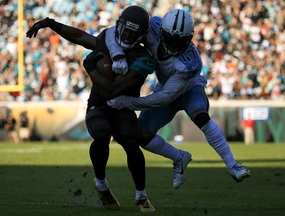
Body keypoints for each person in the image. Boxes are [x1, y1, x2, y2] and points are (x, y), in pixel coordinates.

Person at [26, 6, 192, 190]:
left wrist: (90, 69)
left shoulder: (143, 57)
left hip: (122, 105)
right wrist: (51, 23)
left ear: (142, 35)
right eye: (125, 31)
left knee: (131, 141)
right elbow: (81, 38)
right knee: (101, 134)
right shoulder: (108, 40)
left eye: (132, 33)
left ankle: (141, 194)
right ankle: (101, 182)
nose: (127, 36)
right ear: (119, 26)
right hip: (99, 103)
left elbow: (113, 92)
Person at [106, 8, 250, 183]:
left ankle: (232, 165)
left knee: (200, 116)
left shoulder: (190, 62)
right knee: (142, 135)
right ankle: (179, 157)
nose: (173, 45)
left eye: (178, 41)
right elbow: (112, 32)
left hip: (189, 87)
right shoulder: (151, 27)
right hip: (165, 86)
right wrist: (118, 55)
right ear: (161, 32)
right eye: (170, 39)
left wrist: (129, 102)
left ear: (189, 39)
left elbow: (165, 98)